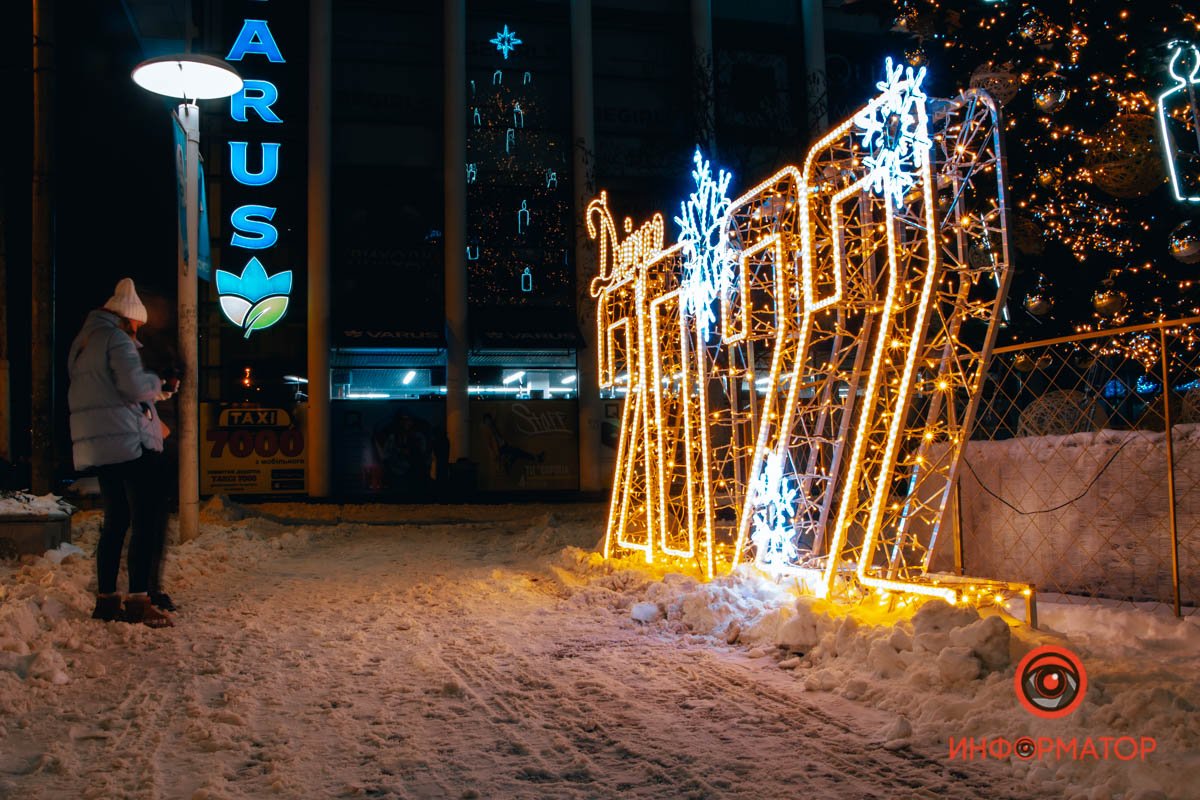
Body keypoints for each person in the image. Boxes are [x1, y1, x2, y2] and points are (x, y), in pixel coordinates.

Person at [67, 278, 176, 628]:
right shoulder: (116, 339)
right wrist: (159, 385)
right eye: (138, 326)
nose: (138, 332)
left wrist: (150, 395)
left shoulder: (83, 342)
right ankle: (139, 600)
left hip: (96, 441)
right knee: (144, 519)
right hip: (126, 440)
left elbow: (105, 390)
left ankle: (106, 599)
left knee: (115, 521)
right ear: (129, 319)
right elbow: (131, 386)